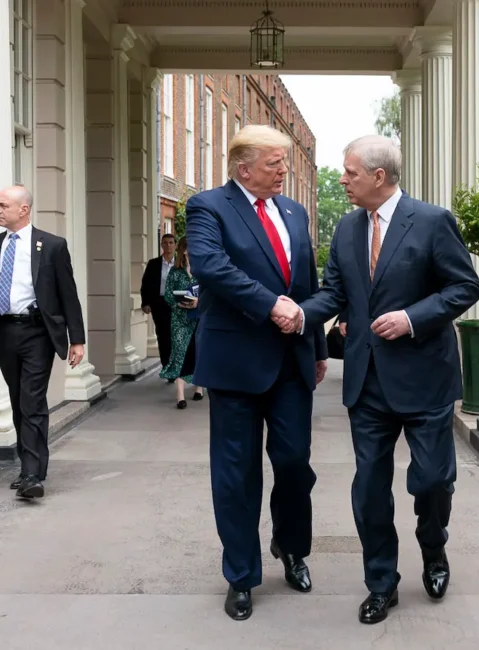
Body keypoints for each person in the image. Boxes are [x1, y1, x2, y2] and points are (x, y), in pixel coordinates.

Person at [278, 135, 479, 624]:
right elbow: (334, 293)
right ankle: (381, 582)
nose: (341, 180)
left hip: (425, 378)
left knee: (432, 481)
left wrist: (411, 318)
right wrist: (300, 315)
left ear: (379, 176)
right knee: (369, 486)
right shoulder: (347, 228)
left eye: (349, 172)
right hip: (367, 382)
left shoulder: (432, 221)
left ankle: (433, 549)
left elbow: (465, 286)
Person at [187, 124, 328, 621]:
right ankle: (241, 575)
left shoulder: (294, 211)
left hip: (292, 360)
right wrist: (272, 307)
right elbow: (210, 267)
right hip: (234, 363)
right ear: (243, 167)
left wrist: (317, 345)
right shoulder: (208, 206)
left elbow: (307, 281)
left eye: (285, 162)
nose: (284, 171)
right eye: (275, 163)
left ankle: (291, 549)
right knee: (236, 473)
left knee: (294, 463)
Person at [0, 185, 87, 501]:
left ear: (23, 210)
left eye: (3, 205)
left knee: (32, 399)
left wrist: (76, 340)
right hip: (3, 332)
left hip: (38, 332)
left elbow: (68, 294)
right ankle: (32, 466)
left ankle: (31, 474)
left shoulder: (52, 246)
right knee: (18, 400)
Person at [159, 236, 204, 407]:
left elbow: (209, 291)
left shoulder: (202, 270)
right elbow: (168, 294)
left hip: (198, 318)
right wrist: (179, 302)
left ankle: (198, 388)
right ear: (185, 250)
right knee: (179, 353)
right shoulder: (175, 272)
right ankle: (180, 396)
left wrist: (198, 301)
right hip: (179, 319)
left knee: (197, 352)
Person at [140, 233, 177, 378]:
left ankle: (176, 365)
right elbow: (146, 284)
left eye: (170, 243)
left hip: (177, 304)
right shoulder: (153, 264)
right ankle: (167, 366)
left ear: (175, 245)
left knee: (176, 335)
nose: (168, 246)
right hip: (159, 304)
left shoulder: (181, 263)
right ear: (161, 245)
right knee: (163, 335)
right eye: (165, 243)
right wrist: (145, 303)